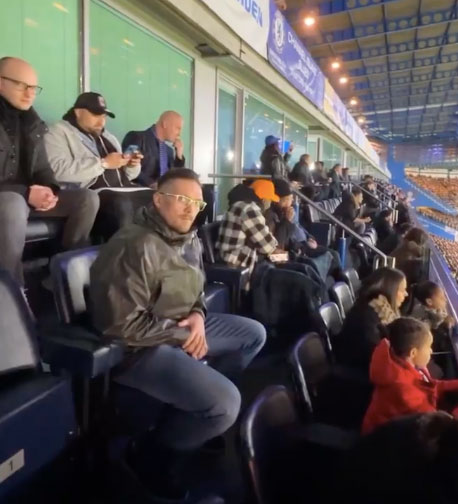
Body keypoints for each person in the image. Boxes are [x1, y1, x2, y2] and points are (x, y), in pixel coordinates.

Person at [89, 168, 266, 501]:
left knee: (253, 334)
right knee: (227, 404)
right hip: (139, 347)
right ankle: (151, 456)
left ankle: (191, 414)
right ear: (158, 200)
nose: (191, 209)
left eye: (197, 203)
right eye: (182, 200)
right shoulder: (134, 246)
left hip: (182, 327)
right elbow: (119, 325)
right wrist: (179, 336)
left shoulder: (187, 238)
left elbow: (196, 290)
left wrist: (198, 316)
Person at [0, 57, 99, 285]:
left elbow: (44, 169)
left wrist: (51, 189)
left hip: (26, 198)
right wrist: (25, 193)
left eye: (33, 87)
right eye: (21, 85)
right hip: (11, 200)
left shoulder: (32, 123)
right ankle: (11, 293)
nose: (29, 93)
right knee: (13, 204)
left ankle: (64, 276)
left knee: (87, 198)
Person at [45, 92, 152, 240]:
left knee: (158, 197)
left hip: (122, 188)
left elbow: (127, 176)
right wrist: (103, 163)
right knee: (121, 204)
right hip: (92, 192)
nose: (101, 122)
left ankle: (156, 254)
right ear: (78, 112)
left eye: (104, 117)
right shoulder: (58, 132)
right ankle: (122, 258)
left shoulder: (109, 137)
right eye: (96, 115)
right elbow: (57, 170)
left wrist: (131, 164)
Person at [362, 317, 458, 435]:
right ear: (413, 353)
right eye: (429, 347)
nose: (431, 351)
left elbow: (431, 385)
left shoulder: (405, 364)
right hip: (389, 444)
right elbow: (437, 424)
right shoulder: (403, 389)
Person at [265, 179, 342, 281]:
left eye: (292, 199)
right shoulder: (271, 216)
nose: (291, 202)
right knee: (309, 267)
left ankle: (338, 285)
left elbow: (297, 230)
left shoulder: (285, 213)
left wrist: (308, 239)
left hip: (295, 249)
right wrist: (287, 222)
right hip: (280, 256)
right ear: (279, 200)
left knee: (333, 256)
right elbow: (277, 246)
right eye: (288, 199)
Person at [334, 267, 407, 373]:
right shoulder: (367, 316)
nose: (406, 294)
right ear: (390, 289)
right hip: (359, 375)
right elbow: (373, 355)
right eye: (402, 290)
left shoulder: (376, 308)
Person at [122, 111, 185, 188]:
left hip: (162, 196)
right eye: (178, 128)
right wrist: (151, 184)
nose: (179, 134)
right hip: (139, 194)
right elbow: (127, 166)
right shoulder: (136, 137)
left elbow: (175, 177)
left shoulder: (169, 151)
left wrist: (179, 157)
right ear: (165, 124)